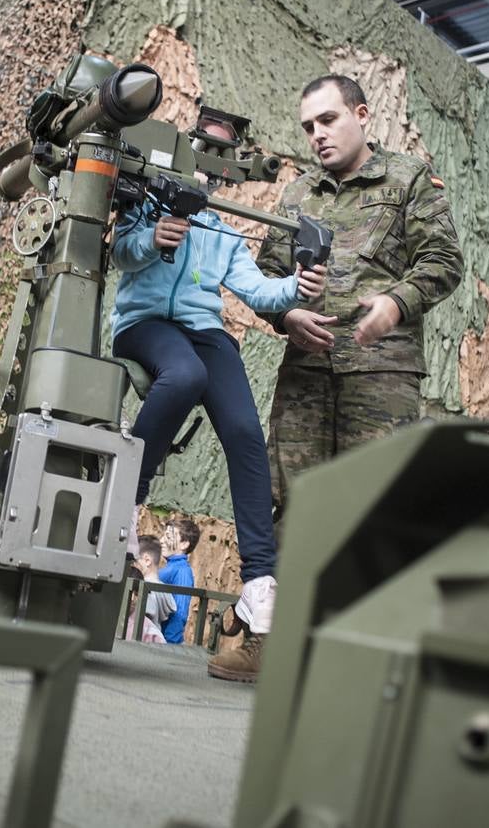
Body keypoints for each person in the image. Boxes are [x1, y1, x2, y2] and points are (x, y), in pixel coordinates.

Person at [208, 74, 463, 681]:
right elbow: (266, 278)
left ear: (361, 115)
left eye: (327, 120)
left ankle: (364, 661)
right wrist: (287, 315)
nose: (317, 134)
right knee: (293, 506)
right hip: (306, 376)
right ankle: (271, 645)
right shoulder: (297, 197)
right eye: (308, 126)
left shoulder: (406, 181)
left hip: (383, 375)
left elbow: (445, 261)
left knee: (370, 507)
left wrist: (397, 303)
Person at [110, 117, 324, 664]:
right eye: (205, 145)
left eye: (222, 154)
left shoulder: (224, 230)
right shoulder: (151, 199)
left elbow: (254, 289)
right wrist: (151, 238)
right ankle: (123, 505)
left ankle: (259, 582)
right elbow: (119, 251)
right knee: (185, 376)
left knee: (245, 432)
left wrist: (298, 286)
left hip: (204, 330)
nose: (211, 162)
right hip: (147, 323)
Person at [125, 535, 177, 644]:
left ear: (147, 560)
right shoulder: (164, 590)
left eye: (134, 560)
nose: (132, 564)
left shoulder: (147, 591)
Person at [156, 517, 199, 645]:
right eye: (164, 535)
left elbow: (180, 612)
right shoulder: (171, 567)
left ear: (184, 544)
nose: (161, 541)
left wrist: (169, 643)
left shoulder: (182, 571)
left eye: (169, 537)